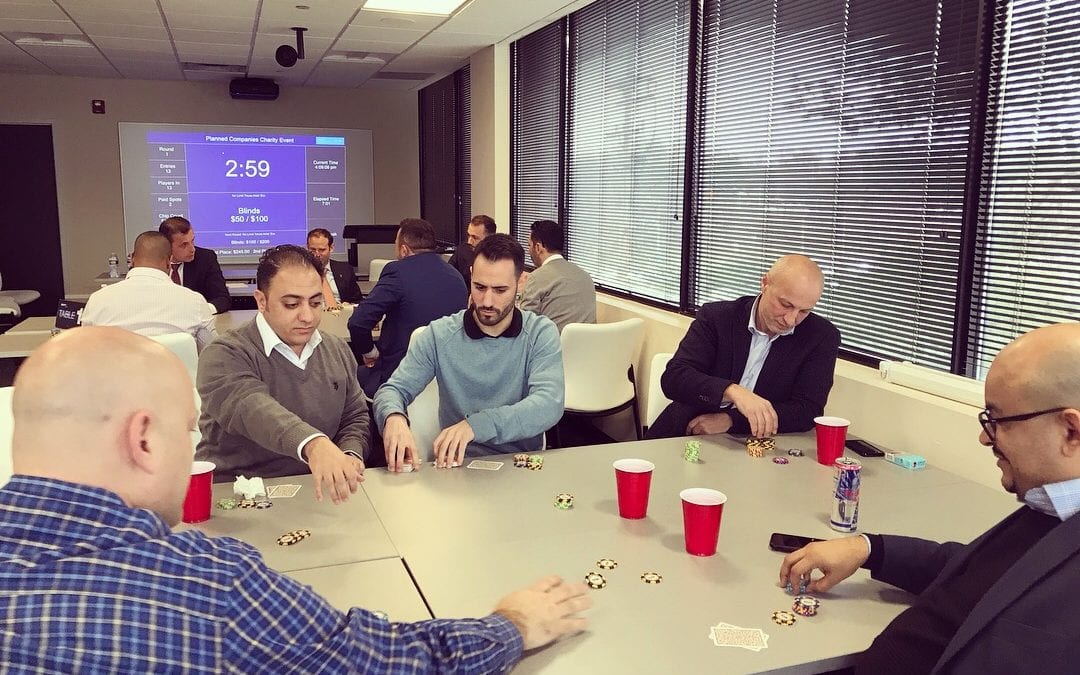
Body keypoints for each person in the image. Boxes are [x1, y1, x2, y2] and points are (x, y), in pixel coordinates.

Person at [0, 327, 592, 672]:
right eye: (188, 430)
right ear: (145, 438)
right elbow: (388, 662)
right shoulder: (212, 589)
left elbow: (362, 409)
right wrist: (511, 625)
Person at [778, 322, 1080, 674]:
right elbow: (980, 571)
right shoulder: (1051, 506)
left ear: (1070, 430)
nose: (985, 438)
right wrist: (869, 548)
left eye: (997, 420)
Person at [374, 234, 564, 471]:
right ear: (471, 274)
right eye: (480, 287)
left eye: (500, 290)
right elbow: (393, 390)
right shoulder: (439, 334)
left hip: (521, 464)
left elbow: (548, 404)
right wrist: (393, 417)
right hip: (457, 465)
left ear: (520, 283)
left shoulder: (539, 333)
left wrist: (476, 426)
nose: (487, 301)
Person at [195, 245, 369, 502]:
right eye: (291, 304)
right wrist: (315, 445)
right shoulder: (225, 353)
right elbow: (254, 409)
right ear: (261, 300)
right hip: (237, 494)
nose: (307, 316)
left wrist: (349, 456)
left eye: (315, 302)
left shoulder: (336, 349)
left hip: (317, 490)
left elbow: (354, 416)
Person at [646, 254, 840, 440]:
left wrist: (731, 420)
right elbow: (675, 378)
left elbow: (807, 410)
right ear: (764, 284)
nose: (791, 320)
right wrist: (732, 391)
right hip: (687, 431)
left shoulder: (821, 336)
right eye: (785, 305)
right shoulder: (717, 317)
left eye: (804, 311)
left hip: (758, 443)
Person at [347, 218, 467, 398]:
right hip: (446, 379)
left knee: (347, 377)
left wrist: (370, 352)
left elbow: (358, 322)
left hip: (399, 374)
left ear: (404, 249)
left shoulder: (398, 271)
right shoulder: (456, 276)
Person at [81, 231, 217, 350]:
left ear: (132, 259)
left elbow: (87, 350)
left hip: (116, 378)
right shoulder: (194, 302)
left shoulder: (97, 300)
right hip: (176, 378)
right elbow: (213, 354)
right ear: (168, 262)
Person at [520, 219, 596, 332]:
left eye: (529, 245)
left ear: (538, 247)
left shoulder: (536, 277)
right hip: (587, 347)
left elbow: (524, 325)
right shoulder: (586, 276)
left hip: (552, 347)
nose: (528, 251)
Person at [158, 216, 231, 314]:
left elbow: (223, 299)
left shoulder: (205, 258)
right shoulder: (153, 262)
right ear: (167, 245)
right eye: (184, 245)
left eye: (192, 241)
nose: (192, 249)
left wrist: (202, 311)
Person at [306, 227, 364, 305]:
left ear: (331, 248)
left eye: (322, 250)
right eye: (312, 249)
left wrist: (349, 305)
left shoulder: (345, 270)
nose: (317, 254)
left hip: (340, 313)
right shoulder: (298, 272)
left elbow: (358, 300)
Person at [447, 214, 497, 289]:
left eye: (475, 237)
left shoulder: (498, 258)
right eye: (468, 235)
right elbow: (449, 273)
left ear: (489, 238)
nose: (469, 241)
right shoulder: (463, 250)